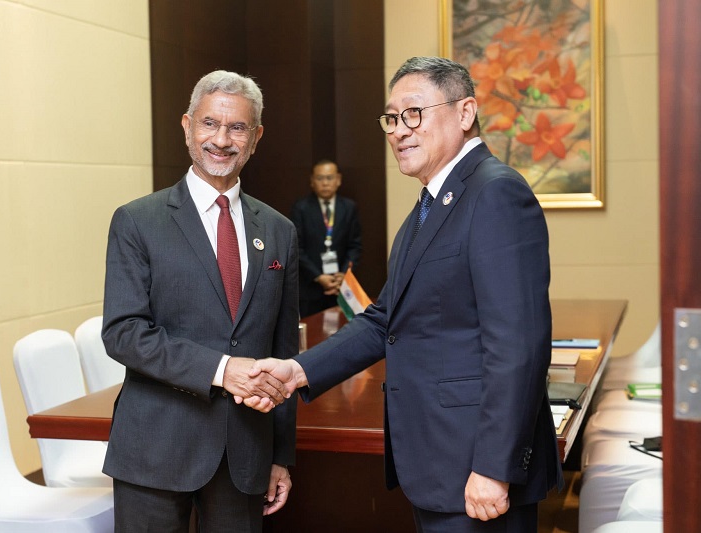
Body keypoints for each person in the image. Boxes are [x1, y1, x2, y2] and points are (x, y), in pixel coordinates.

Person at [246, 56, 563, 532]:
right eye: (391, 118)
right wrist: (297, 370)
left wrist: (495, 468)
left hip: (477, 470)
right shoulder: (430, 206)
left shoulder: (495, 194)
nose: (398, 130)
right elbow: (383, 320)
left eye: (413, 113)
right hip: (438, 463)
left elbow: (518, 346)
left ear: (464, 112)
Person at [101, 70, 298, 532]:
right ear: (187, 126)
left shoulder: (279, 231)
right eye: (210, 124)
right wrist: (221, 370)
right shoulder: (137, 221)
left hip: (245, 456)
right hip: (155, 449)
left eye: (237, 128)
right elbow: (123, 333)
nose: (222, 140)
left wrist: (280, 456)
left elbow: (283, 352)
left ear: (256, 137)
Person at [290, 159, 362, 317]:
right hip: (311, 286)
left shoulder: (349, 207)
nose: (325, 183)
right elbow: (296, 248)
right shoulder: (301, 208)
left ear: (338, 180)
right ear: (312, 181)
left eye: (329, 178)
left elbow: (354, 246)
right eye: (320, 178)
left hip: (341, 285)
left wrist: (343, 274)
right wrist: (318, 276)